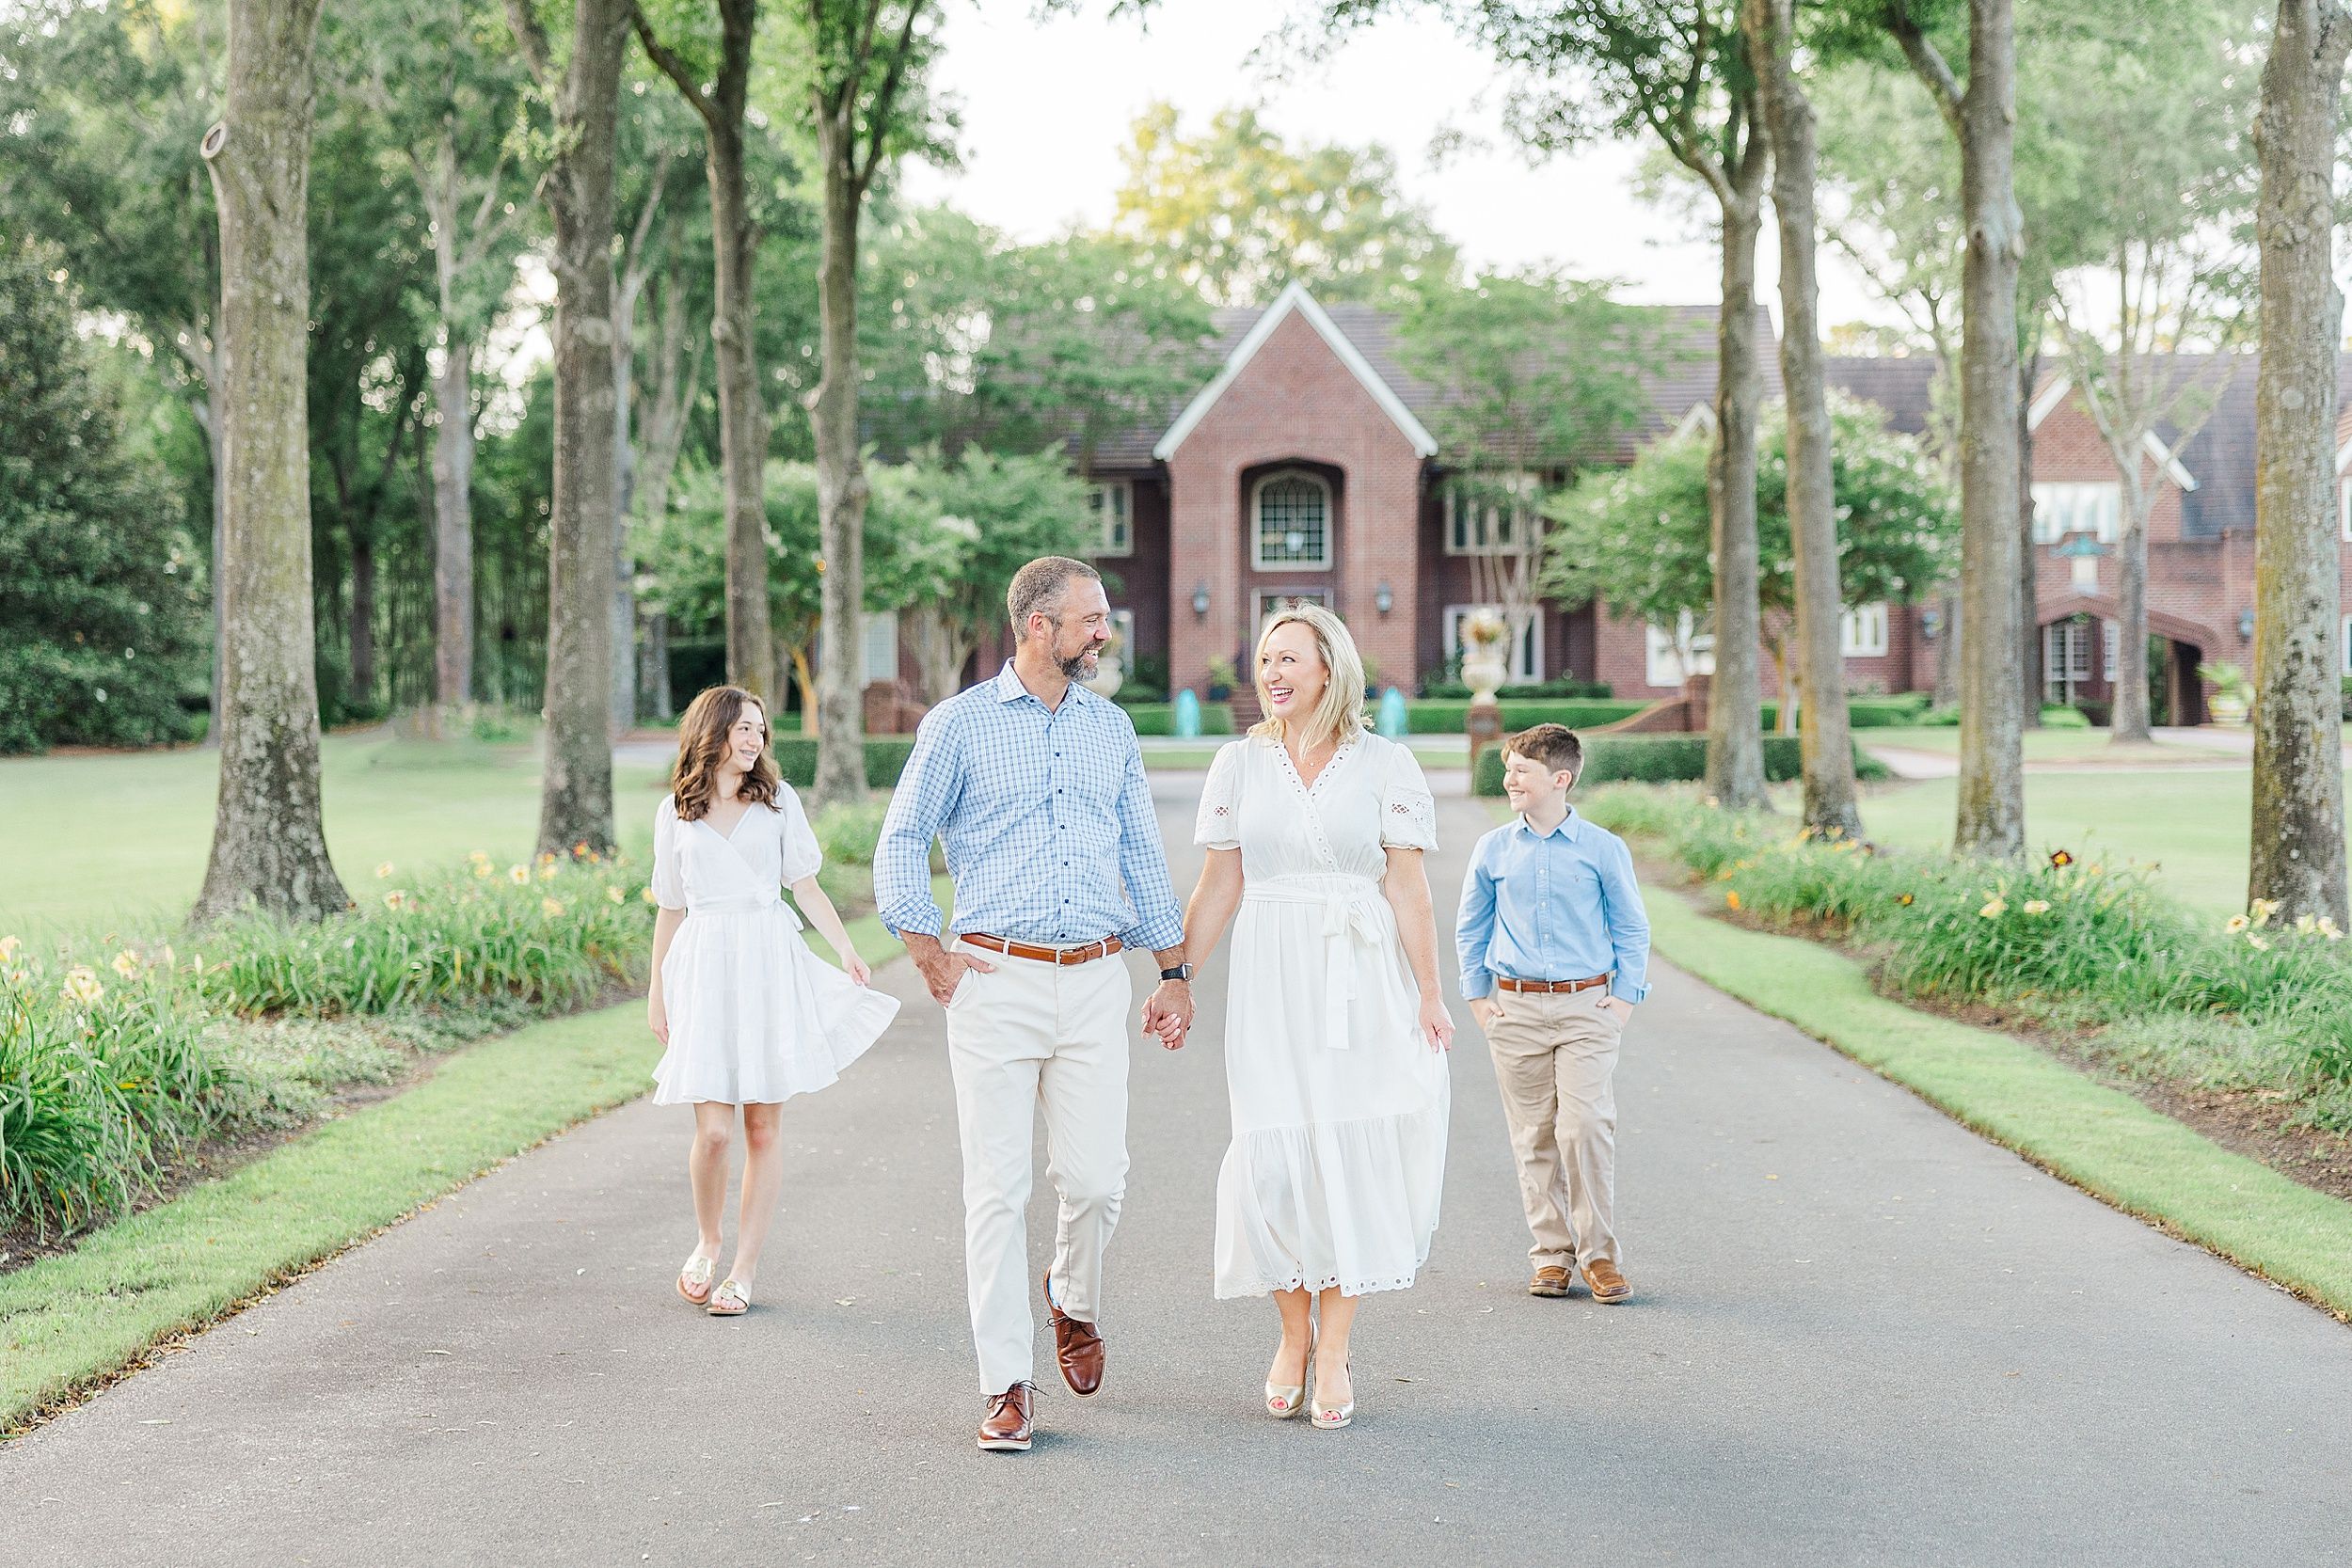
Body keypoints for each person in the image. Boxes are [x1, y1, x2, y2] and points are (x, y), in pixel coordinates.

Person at [873, 557, 1193, 1454]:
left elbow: (1142, 850)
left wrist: (1174, 970)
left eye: (1104, 617)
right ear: (1036, 627)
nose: (1104, 632)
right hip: (995, 983)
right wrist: (925, 947)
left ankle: (1072, 1298)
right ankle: (1005, 1382)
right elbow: (901, 839)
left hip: (1095, 978)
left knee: (1095, 1180)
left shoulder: (1112, 729)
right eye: (1090, 619)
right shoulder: (960, 726)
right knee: (997, 1187)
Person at [1181, 604, 1452, 1433]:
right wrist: (1175, 976)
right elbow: (1219, 883)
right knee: (1273, 1162)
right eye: (1266, 658)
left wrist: (1429, 992)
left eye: (1289, 657)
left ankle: (1333, 1346)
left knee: (1345, 1153)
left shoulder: (1387, 763)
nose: (1273, 671)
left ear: (1328, 668)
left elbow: (1407, 887)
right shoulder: (1237, 763)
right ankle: (1291, 1335)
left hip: (1358, 980)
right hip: (1270, 978)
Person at [647, 685, 898, 1318]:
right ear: (714, 732)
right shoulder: (676, 811)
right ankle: (707, 1241)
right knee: (712, 1131)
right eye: (745, 728)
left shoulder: (779, 801)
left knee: (762, 1124)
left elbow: (805, 886)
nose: (757, 739)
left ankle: (743, 1269)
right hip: (705, 967)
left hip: (767, 961)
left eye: (761, 729)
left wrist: (845, 947)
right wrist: (657, 992)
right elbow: (670, 909)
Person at [1454, 723, 1651, 1306]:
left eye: (1521, 770)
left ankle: (1600, 1258)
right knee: (1534, 1135)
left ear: (1559, 779)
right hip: (1514, 1010)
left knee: (1584, 1126)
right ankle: (1551, 1257)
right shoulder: (1492, 849)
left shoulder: (1602, 848)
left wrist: (1623, 1001)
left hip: (1588, 1007)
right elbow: (1471, 926)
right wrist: (1478, 999)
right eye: (1509, 768)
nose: (1508, 778)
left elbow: (1632, 926)